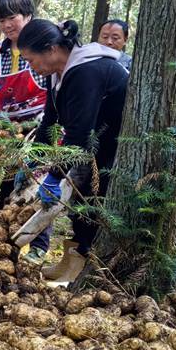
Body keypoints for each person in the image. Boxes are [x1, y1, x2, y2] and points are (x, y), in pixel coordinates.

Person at [18, 19, 128, 283]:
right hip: (91, 144)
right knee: (80, 200)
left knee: (91, 199)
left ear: (52, 49)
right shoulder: (57, 74)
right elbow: (49, 121)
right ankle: (72, 260)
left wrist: (55, 176)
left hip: (112, 144)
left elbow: (78, 133)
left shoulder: (86, 70)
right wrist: (35, 159)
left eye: (31, 60)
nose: (31, 67)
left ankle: (84, 264)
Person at [0, 0, 51, 262]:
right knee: (4, 182)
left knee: (35, 188)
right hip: (8, 129)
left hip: (40, 127)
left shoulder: (45, 44)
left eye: (13, 18)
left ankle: (39, 245)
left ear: (28, 16)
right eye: (2, 20)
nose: (8, 25)